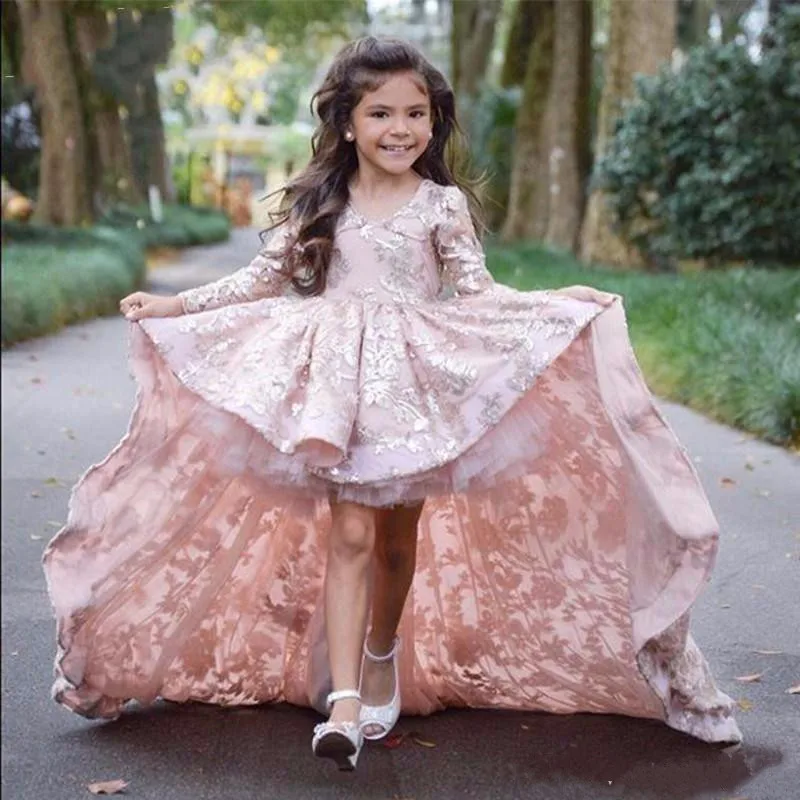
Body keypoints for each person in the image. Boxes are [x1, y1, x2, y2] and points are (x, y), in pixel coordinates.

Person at [43, 36, 741, 773]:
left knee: (398, 542)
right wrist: (175, 304)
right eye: (381, 114)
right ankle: (345, 702)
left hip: (410, 391)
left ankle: (382, 656)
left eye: (417, 114)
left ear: (434, 123)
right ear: (347, 123)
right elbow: (259, 279)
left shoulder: (441, 205)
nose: (400, 129)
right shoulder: (324, 199)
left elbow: (478, 293)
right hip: (336, 390)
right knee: (348, 535)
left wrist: (552, 304)